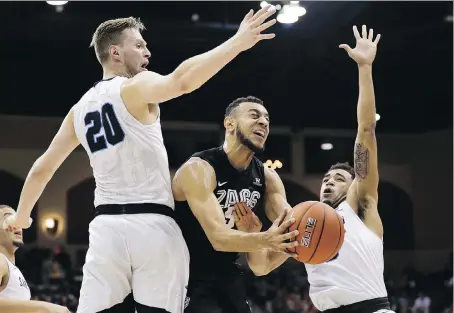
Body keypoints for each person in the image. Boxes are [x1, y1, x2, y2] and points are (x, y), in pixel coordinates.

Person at [5, 6, 278, 313]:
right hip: (152, 226)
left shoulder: (79, 110)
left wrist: (23, 217)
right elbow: (182, 81)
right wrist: (237, 42)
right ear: (115, 52)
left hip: (106, 230)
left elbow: (43, 168)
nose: (147, 50)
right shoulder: (134, 86)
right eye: (138, 44)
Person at [172, 96, 300, 313]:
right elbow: (219, 239)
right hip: (185, 272)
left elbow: (261, 267)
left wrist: (304, 241)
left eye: (267, 119)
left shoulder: (268, 178)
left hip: (228, 274)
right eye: (254, 115)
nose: (264, 122)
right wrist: (264, 239)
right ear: (229, 123)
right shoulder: (200, 169)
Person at [304, 25, 392, 313]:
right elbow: (262, 265)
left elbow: (366, 129)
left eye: (339, 179)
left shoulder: (361, 206)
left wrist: (364, 68)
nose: (328, 183)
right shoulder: (306, 221)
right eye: (326, 179)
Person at [0, 205, 69, 313]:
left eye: (18, 219)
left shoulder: (12, 268)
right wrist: (44, 307)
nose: (18, 223)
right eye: (9, 218)